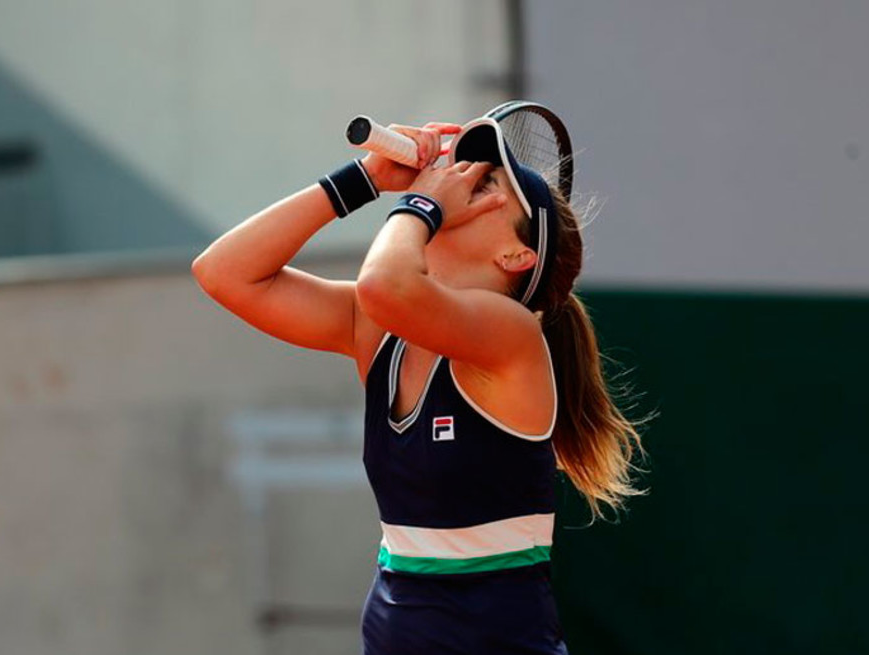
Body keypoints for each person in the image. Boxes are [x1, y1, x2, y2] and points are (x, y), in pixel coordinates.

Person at [191, 108, 645, 654]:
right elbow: (223, 272)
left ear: (516, 255)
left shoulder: (512, 337)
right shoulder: (379, 329)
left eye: (484, 182)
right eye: (465, 167)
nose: (458, 176)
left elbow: (386, 283)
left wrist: (421, 205)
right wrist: (364, 179)